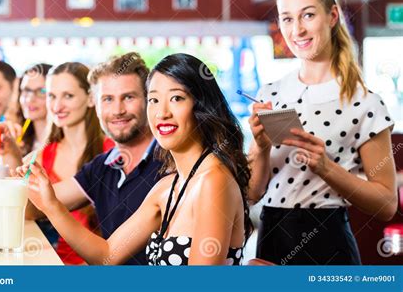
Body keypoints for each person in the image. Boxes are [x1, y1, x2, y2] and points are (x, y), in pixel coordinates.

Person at [18, 53, 253, 265]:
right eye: (154, 100)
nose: (162, 113)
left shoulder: (212, 180)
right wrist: (50, 204)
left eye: (176, 98)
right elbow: (106, 255)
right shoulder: (168, 186)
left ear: (201, 106)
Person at [248, 0, 397, 265]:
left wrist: (327, 168)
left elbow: (387, 204)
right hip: (271, 239)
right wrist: (260, 147)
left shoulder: (365, 102)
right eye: (287, 18)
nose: (297, 30)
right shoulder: (270, 94)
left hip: (329, 244)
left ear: (331, 16)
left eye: (307, 15)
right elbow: (252, 194)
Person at [0, 53, 159, 265]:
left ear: (149, 100)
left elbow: (107, 256)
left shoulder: (169, 163)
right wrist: (12, 152)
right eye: (107, 99)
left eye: (128, 97)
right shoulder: (103, 166)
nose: (117, 110)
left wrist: (50, 205)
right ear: (96, 104)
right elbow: (31, 209)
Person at [17, 63, 52, 155]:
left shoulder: (63, 145)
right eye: (26, 90)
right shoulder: (20, 141)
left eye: (42, 91)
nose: (30, 99)